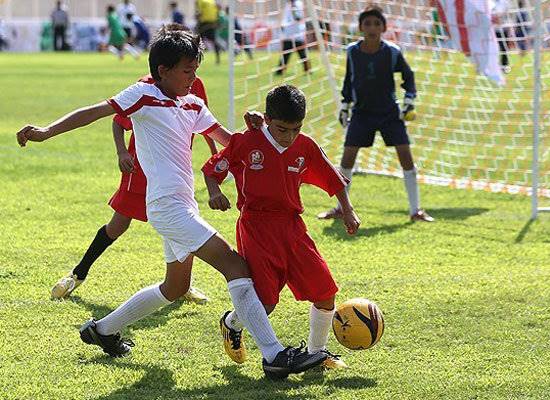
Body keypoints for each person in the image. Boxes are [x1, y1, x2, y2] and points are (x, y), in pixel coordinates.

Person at [16, 27, 326, 378]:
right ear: (163, 70)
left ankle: (101, 330)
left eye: (195, 70)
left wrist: (260, 131)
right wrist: (45, 131)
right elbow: (96, 111)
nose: (193, 79)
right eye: (187, 71)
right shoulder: (143, 95)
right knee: (236, 267)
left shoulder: (193, 103)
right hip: (166, 207)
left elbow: (228, 141)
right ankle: (273, 355)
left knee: (175, 287)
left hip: (184, 205)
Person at [51, 24, 216, 304]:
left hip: (175, 170)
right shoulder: (146, 89)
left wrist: (214, 154)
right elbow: (117, 121)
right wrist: (121, 154)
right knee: (118, 226)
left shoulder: (193, 84)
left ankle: (181, 284)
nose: (191, 72)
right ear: (165, 66)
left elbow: (207, 124)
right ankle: (77, 274)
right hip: (140, 168)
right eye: (187, 66)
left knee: (179, 223)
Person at [202, 84, 360, 371]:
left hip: (292, 227)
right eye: (282, 129)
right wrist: (215, 192)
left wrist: (347, 211)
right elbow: (213, 169)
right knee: (265, 303)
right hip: (257, 227)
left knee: (325, 294)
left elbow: (333, 179)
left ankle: (318, 353)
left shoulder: (305, 146)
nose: (289, 137)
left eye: (296, 129)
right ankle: (232, 322)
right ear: (266, 119)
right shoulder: (246, 141)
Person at [318, 7, 433, 222]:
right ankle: (341, 208)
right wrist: (345, 105)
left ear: (384, 28)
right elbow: (349, 80)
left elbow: (409, 78)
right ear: (361, 27)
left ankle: (415, 210)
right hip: (361, 113)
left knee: (406, 157)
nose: (372, 28)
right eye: (367, 24)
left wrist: (409, 102)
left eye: (376, 24)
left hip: (389, 113)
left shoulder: (392, 52)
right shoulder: (352, 51)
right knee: (347, 158)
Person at [275, 0, 310, 75]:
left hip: (297, 33)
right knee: (285, 53)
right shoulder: (288, 4)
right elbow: (287, 17)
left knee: (302, 54)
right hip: (288, 33)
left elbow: (298, 17)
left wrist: (293, 7)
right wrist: (283, 25)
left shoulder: (297, 3)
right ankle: (280, 71)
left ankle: (307, 70)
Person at [492, 0, 512, 74]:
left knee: (504, 48)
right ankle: (492, 66)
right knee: (492, 48)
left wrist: (499, 17)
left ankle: (504, 66)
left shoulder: (505, 2)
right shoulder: (489, 2)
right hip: (493, 29)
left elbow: (507, 14)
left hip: (503, 28)